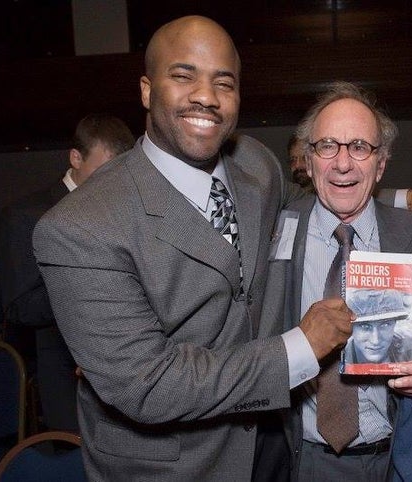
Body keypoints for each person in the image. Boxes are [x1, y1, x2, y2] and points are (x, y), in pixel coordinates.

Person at [32, 16, 356, 481]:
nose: (206, 96)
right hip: (174, 466)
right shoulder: (79, 226)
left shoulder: (255, 164)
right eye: (183, 76)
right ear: (146, 90)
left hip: (272, 444)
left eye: (224, 82)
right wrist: (300, 348)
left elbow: (308, 209)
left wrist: (400, 199)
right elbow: (148, 384)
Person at [261, 81, 412, 481]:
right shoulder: (272, 234)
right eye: (328, 146)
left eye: (359, 147)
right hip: (299, 462)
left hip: (392, 461)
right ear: (308, 158)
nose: (342, 163)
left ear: (381, 163)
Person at [0, 113, 135, 432]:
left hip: (124, 368)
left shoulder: (125, 213)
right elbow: (18, 308)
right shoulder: (25, 216)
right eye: (104, 170)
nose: (113, 183)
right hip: (63, 372)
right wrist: (85, 282)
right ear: (76, 158)